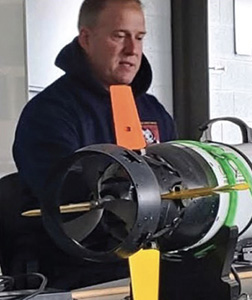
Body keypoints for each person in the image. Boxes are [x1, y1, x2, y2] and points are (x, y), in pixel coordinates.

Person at [8, 0, 176, 289]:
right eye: (119, 36)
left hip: (154, 265)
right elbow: (72, 200)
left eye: (139, 37)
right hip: (78, 274)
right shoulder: (50, 113)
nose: (132, 50)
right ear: (86, 38)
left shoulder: (153, 111)